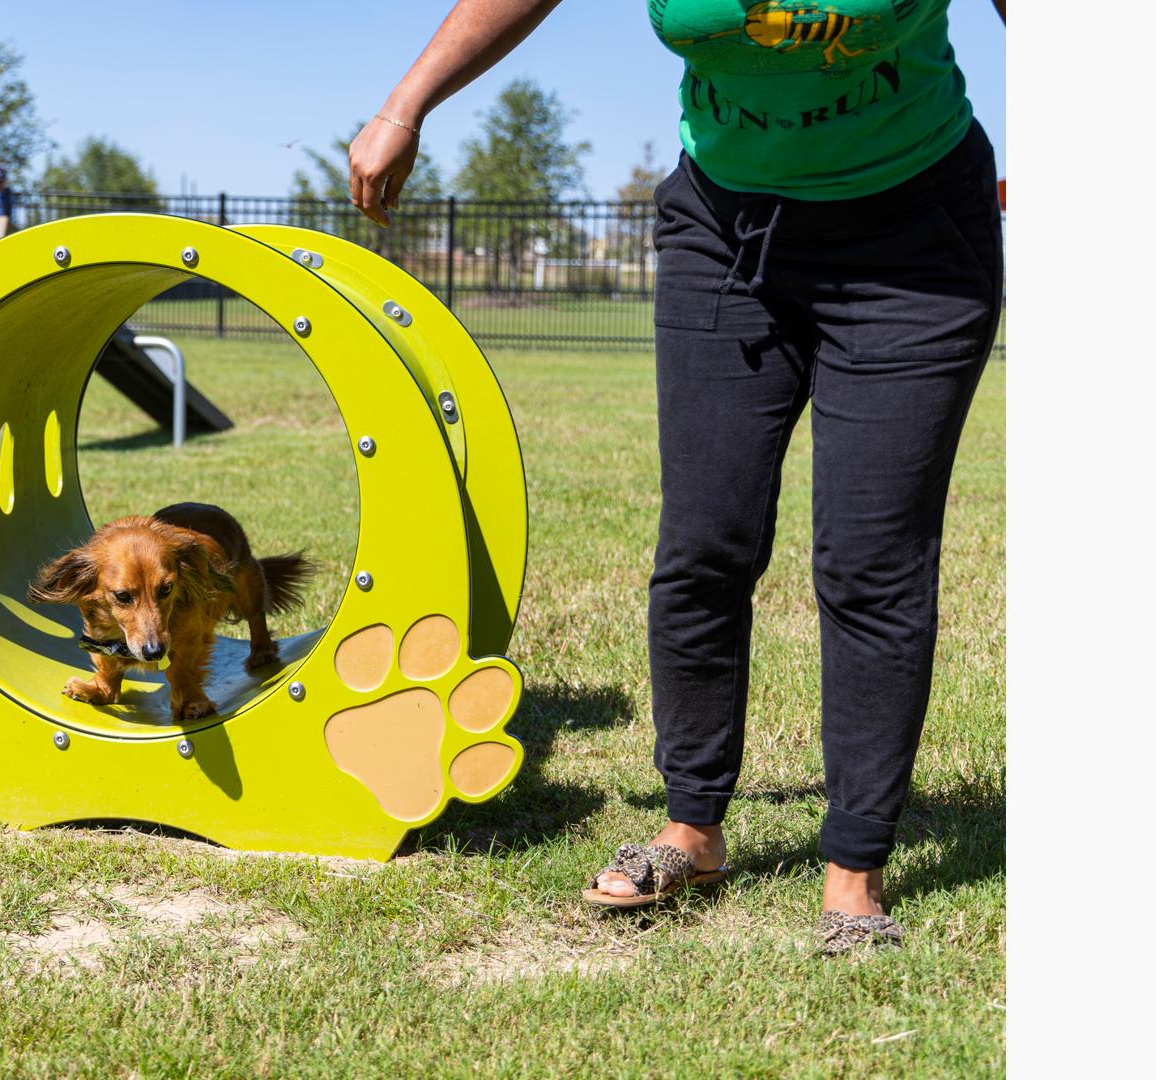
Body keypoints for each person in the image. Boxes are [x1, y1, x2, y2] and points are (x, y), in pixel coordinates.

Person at [348, 0, 1005, 954]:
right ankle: (692, 829)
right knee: (703, 542)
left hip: (913, 235)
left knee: (871, 561)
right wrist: (408, 103)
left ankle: (853, 871)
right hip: (727, 226)